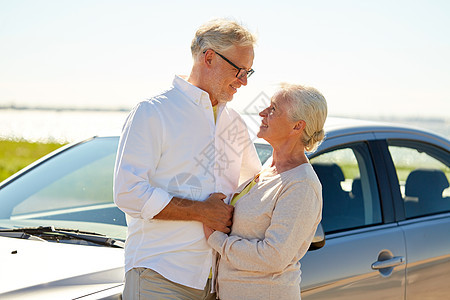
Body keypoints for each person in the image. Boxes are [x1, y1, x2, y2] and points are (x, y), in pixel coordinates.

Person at [113, 19, 261, 300]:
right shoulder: (153, 112)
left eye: (248, 72)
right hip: (159, 276)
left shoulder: (234, 122)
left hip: (218, 283)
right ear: (209, 57)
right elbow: (128, 193)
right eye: (238, 70)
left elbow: (251, 188)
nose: (243, 81)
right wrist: (201, 211)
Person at [204, 83, 328, 300]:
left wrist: (217, 239)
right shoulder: (269, 168)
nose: (262, 113)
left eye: (273, 109)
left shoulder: (302, 185)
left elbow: (273, 257)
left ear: (297, 126)